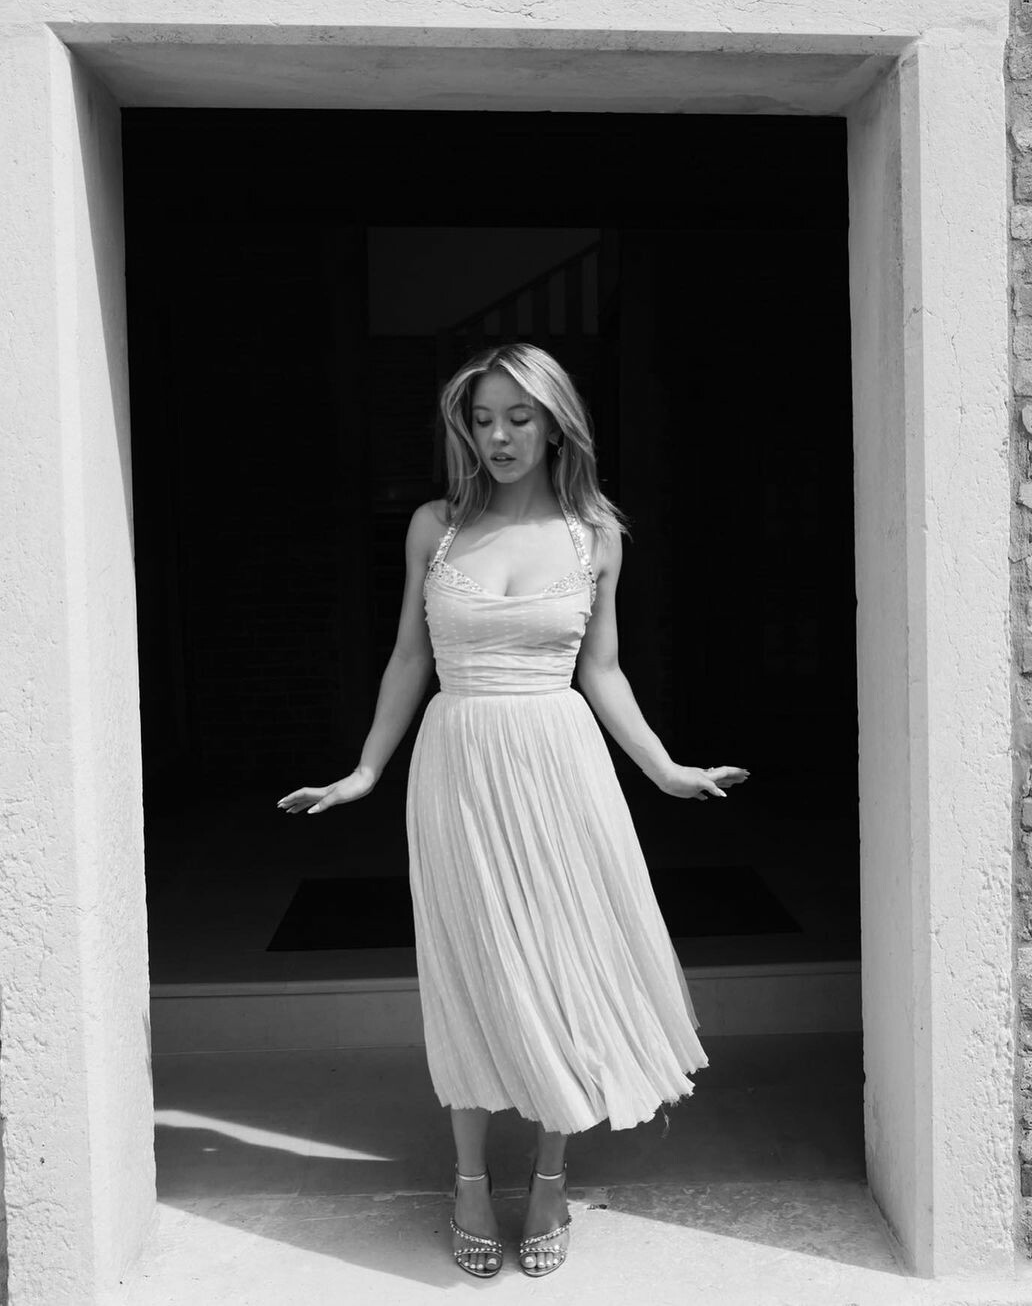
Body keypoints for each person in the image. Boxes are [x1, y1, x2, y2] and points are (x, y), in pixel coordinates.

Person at [277, 342, 750, 1279]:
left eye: (518, 418)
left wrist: (662, 769)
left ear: (555, 424)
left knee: (558, 965)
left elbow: (602, 670)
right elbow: (410, 656)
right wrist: (367, 769)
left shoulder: (596, 536)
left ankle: (548, 1179)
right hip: (456, 764)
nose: (498, 437)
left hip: (560, 767)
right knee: (473, 963)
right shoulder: (435, 528)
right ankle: (466, 1180)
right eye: (482, 419)